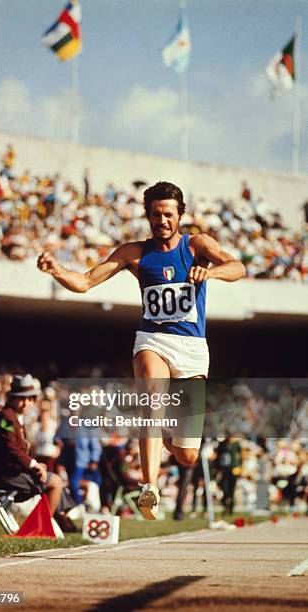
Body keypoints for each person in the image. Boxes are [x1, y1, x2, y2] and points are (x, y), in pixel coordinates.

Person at [37, 181, 246, 519]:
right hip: (153, 341)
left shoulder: (197, 245)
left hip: (192, 349)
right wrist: (56, 269)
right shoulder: (133, 253)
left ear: (180, 215)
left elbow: (238, 267)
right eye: (155, 215)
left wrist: (211, 272)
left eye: (168, 215)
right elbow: (86, 282)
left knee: (187, 456)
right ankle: (150, 488)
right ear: (147, 216)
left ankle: (165, 433)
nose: (161, 221)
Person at [0, 374, 76, 530]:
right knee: (55, 482)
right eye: (21, 399)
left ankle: (58, 518)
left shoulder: (15, 418)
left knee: (54, 480)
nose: (26, 403)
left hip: (11, 472)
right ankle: (42, 527)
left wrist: (36, 464)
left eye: (30, 399)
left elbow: (19, 450)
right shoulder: (6, 418)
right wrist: (34, 465)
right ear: (11, 398)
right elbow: (11, 449)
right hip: (3, 475)